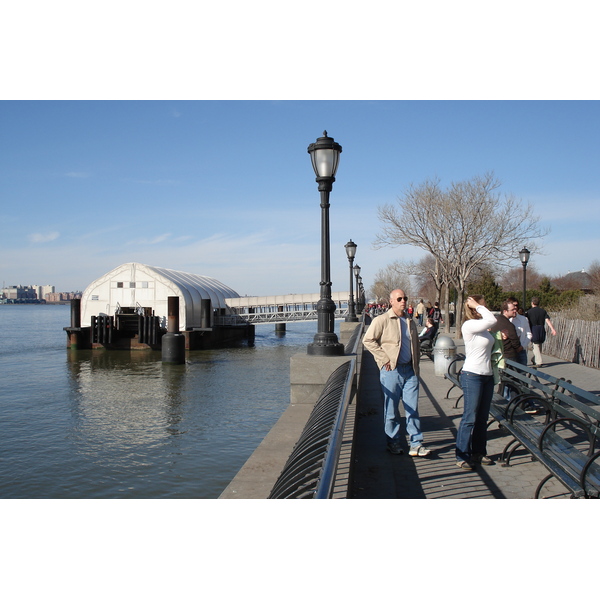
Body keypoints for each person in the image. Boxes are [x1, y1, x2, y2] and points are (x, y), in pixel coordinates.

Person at [363, 289, 430, 457]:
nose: (403, 301)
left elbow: (414, 344)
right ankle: (393, 442)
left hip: (410, 371)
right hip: (391, 371)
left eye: (405, 298)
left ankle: (416, 443)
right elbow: (368, 340)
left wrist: (416, 365)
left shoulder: (409, 321)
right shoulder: (382, 320)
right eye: (399, 299)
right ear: (391, 301)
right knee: (391, 409)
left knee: (412, 408)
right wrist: (383, 359)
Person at [455, 295, 497, 470]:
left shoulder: (483, 328)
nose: (484, 309)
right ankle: (462, 455)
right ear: (474, 308)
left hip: (487, 375)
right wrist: (477, 305)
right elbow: (492, 319)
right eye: (482, 306)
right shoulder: (469, 325)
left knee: (482, 418)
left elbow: (492, 321)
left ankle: (479, 452)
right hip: (472, 375)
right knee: (469, 417)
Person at [526, 297, 557, 368]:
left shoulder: (529, 312)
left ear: (532, 303)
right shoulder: (543, 311)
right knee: (539, 344)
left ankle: (539, 362)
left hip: (533, 328)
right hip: (541, 328)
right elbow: (547, 320)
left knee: (536, 345)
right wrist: (553, 329)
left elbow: (526, 321)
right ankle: (535, 358)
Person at [506, 297, 531, 366]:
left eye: (516, 305)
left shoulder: (523, 319)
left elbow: (529, 334)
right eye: (513, 306)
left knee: (522, 373)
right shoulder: (505, 320)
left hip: (521, 350)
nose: (515, 308)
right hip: (509, 351)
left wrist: (522, 346)